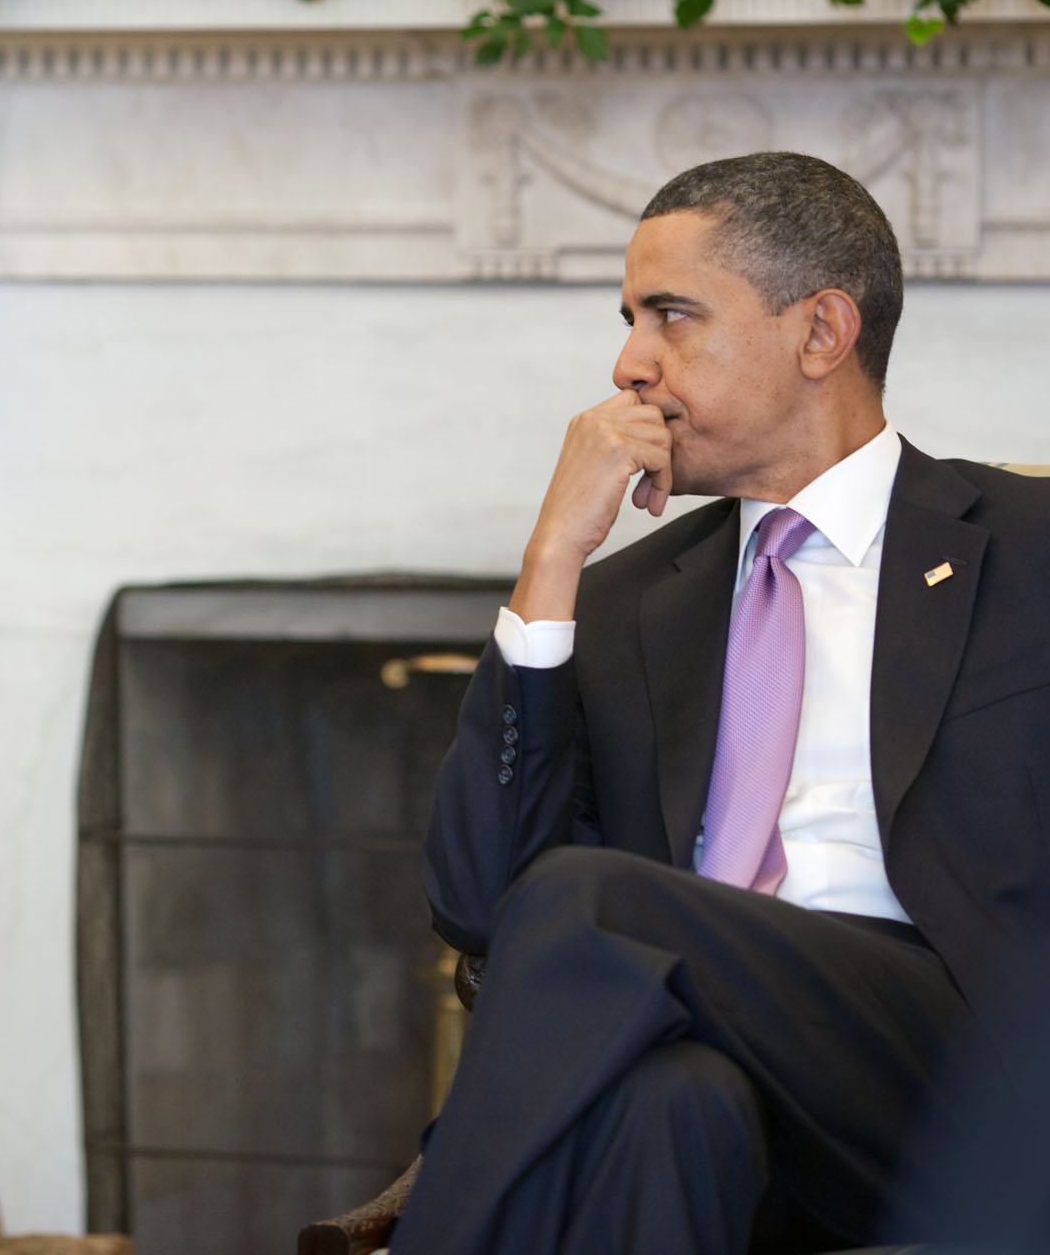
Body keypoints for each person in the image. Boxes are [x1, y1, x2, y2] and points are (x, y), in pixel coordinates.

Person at [398, 151, 1050, 1254]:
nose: (629, 362)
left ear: (821, 332)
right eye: (628, 318)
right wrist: (553, 554)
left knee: (592, 899)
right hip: (742, 1076)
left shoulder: (1028, 548)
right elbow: (478, 902)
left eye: (672, 316)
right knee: (670, 1105)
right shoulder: (624, 603)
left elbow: (563, 907)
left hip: (969, 1076)